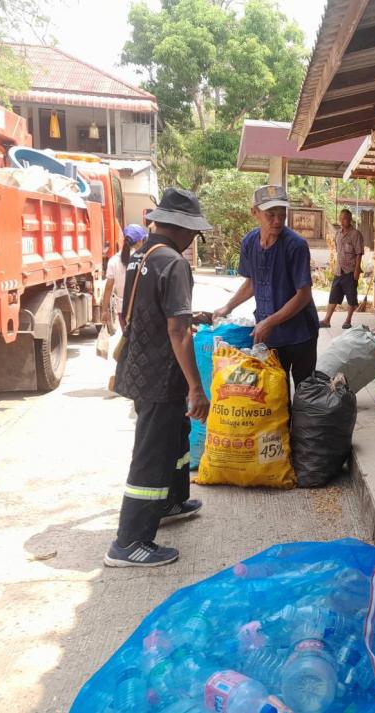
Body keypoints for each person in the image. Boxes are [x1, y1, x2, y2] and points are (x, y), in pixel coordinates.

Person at [105, 188, 213, 568]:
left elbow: (150, 309)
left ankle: (170, 501)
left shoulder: (139, 256)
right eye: (194, 232)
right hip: (161, 374)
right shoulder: (174, 263)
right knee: (151, 455)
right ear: (181, 227)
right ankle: (130, 541)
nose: (193, 239)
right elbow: (177, 331)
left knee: (174, 440)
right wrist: (196, 388)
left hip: (141, 366)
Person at [214, 185, 320, 386]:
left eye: (282, 214)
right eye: (271, 214)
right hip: (270, 335)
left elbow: (304, 295)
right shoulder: (249, 242)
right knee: (274, 392)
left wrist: (269, 322)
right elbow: (251, 283)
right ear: (255, 212)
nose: (278, 220)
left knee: (305, 392)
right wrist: (228, 307)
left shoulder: (296, 245)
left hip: (300, 333)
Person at [320, 208, 364, 329]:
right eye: (342, 218)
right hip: (339, 271)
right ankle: (327, 320)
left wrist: (357, 270)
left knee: (351, 298)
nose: (344, 220)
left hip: (350, 271)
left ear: (350, 219)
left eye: (346, 218)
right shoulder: (338, 234)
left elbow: (359, 253)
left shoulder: (356, 234)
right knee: (333, 296)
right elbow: (338, 251)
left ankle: (348, 321)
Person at [102, 224, 147, 331]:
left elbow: (108, 288)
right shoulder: (144, 258)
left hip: (122, 309)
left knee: (127, 337)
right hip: (141, 307)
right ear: (139, 241)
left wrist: (104, 310)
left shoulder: (113, 260)